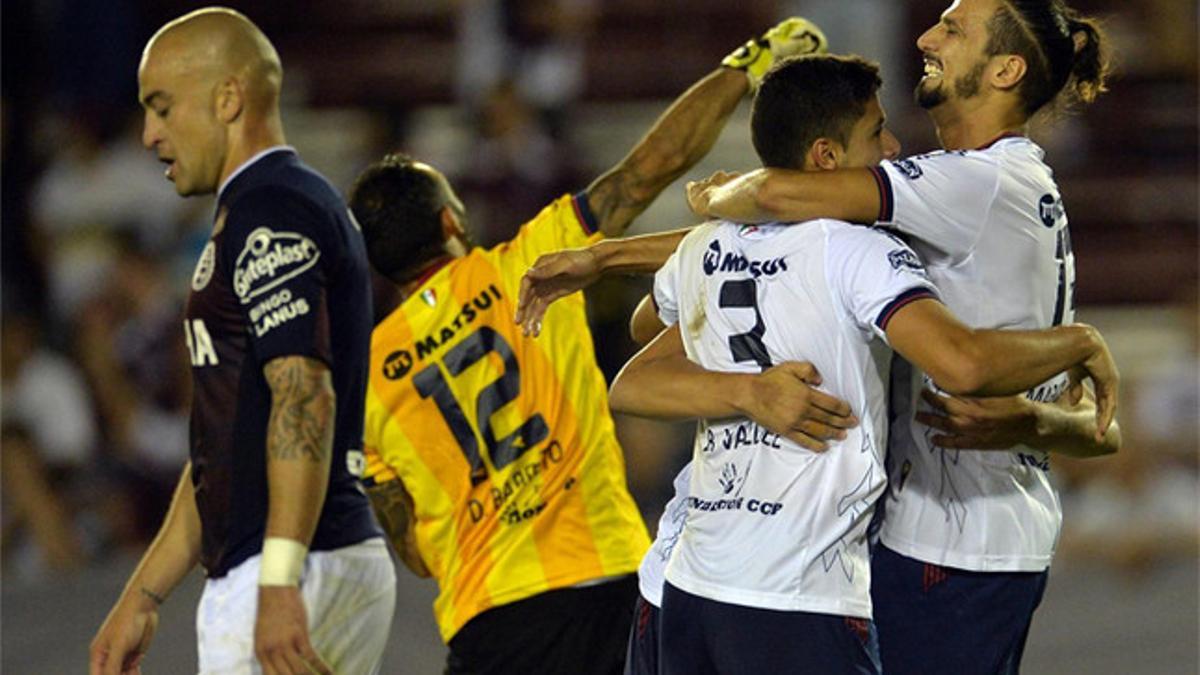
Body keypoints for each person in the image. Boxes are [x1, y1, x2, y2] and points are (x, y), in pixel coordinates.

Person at [603, 53, 1117, 675]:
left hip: (684, 577)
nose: (894, 146)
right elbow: (963, 362)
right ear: (825, 158)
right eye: (876, 132)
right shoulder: (862, 249)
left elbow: (638, 356)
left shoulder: (707, 247)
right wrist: (1079, 342)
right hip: (799, 589)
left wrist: (741, 386)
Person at [346, 18, 828, 675]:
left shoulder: (367, 374)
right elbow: (644, 172)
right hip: (603, 582)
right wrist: (744, 67)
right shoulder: (529, 264)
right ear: (450, 221)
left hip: (489, 618)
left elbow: (410, 545)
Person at [89, 8, 394, 675]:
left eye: (162, 107)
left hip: (292, 563)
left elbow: (303, 395)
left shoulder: (270, 210)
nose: (148, 133)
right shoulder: (265, 207)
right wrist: (143, 592)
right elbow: (226, 439)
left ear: (228, 98)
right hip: (292, 561)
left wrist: (279, 580)